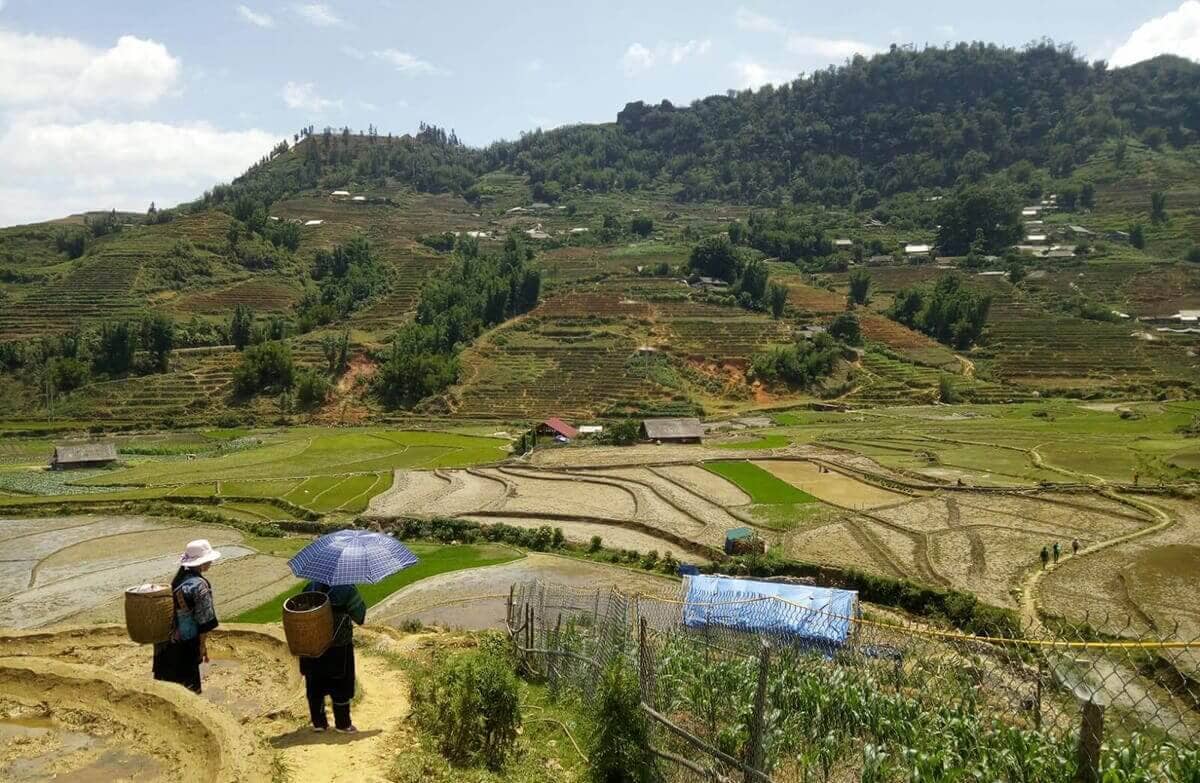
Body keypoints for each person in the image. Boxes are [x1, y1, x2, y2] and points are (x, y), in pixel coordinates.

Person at [153, 539, 221, 693]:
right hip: (185, 642)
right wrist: (202, 645)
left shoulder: (178, 580)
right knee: (188, 689)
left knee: (166, 687)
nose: (211, 562)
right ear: (201, 563)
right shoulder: (199, 585)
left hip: (165, 641)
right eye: (209, 559)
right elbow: (205, 620)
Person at [301, 581, 366, 733]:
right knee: (341, 683)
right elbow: (360, 616)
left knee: (314, 683)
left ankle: (319, 723)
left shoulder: (309, 588)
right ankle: (343, 724)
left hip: (313, 645)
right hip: (338, 646)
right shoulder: (348, 589)